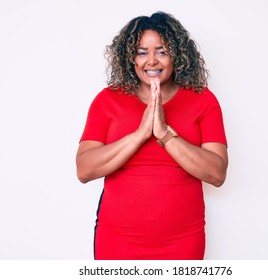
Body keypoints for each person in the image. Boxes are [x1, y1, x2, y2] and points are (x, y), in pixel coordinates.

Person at [76, 11, 228, 260]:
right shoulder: (107, 100)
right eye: (142, 52)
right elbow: (84, 170)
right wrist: (140, 134)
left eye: (162, 51)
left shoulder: (203, 100)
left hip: (183, 241)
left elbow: (217, 173)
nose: (152, 61)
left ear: (177, 55)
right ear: (131, 58)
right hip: (117, 239)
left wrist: (164, 134)